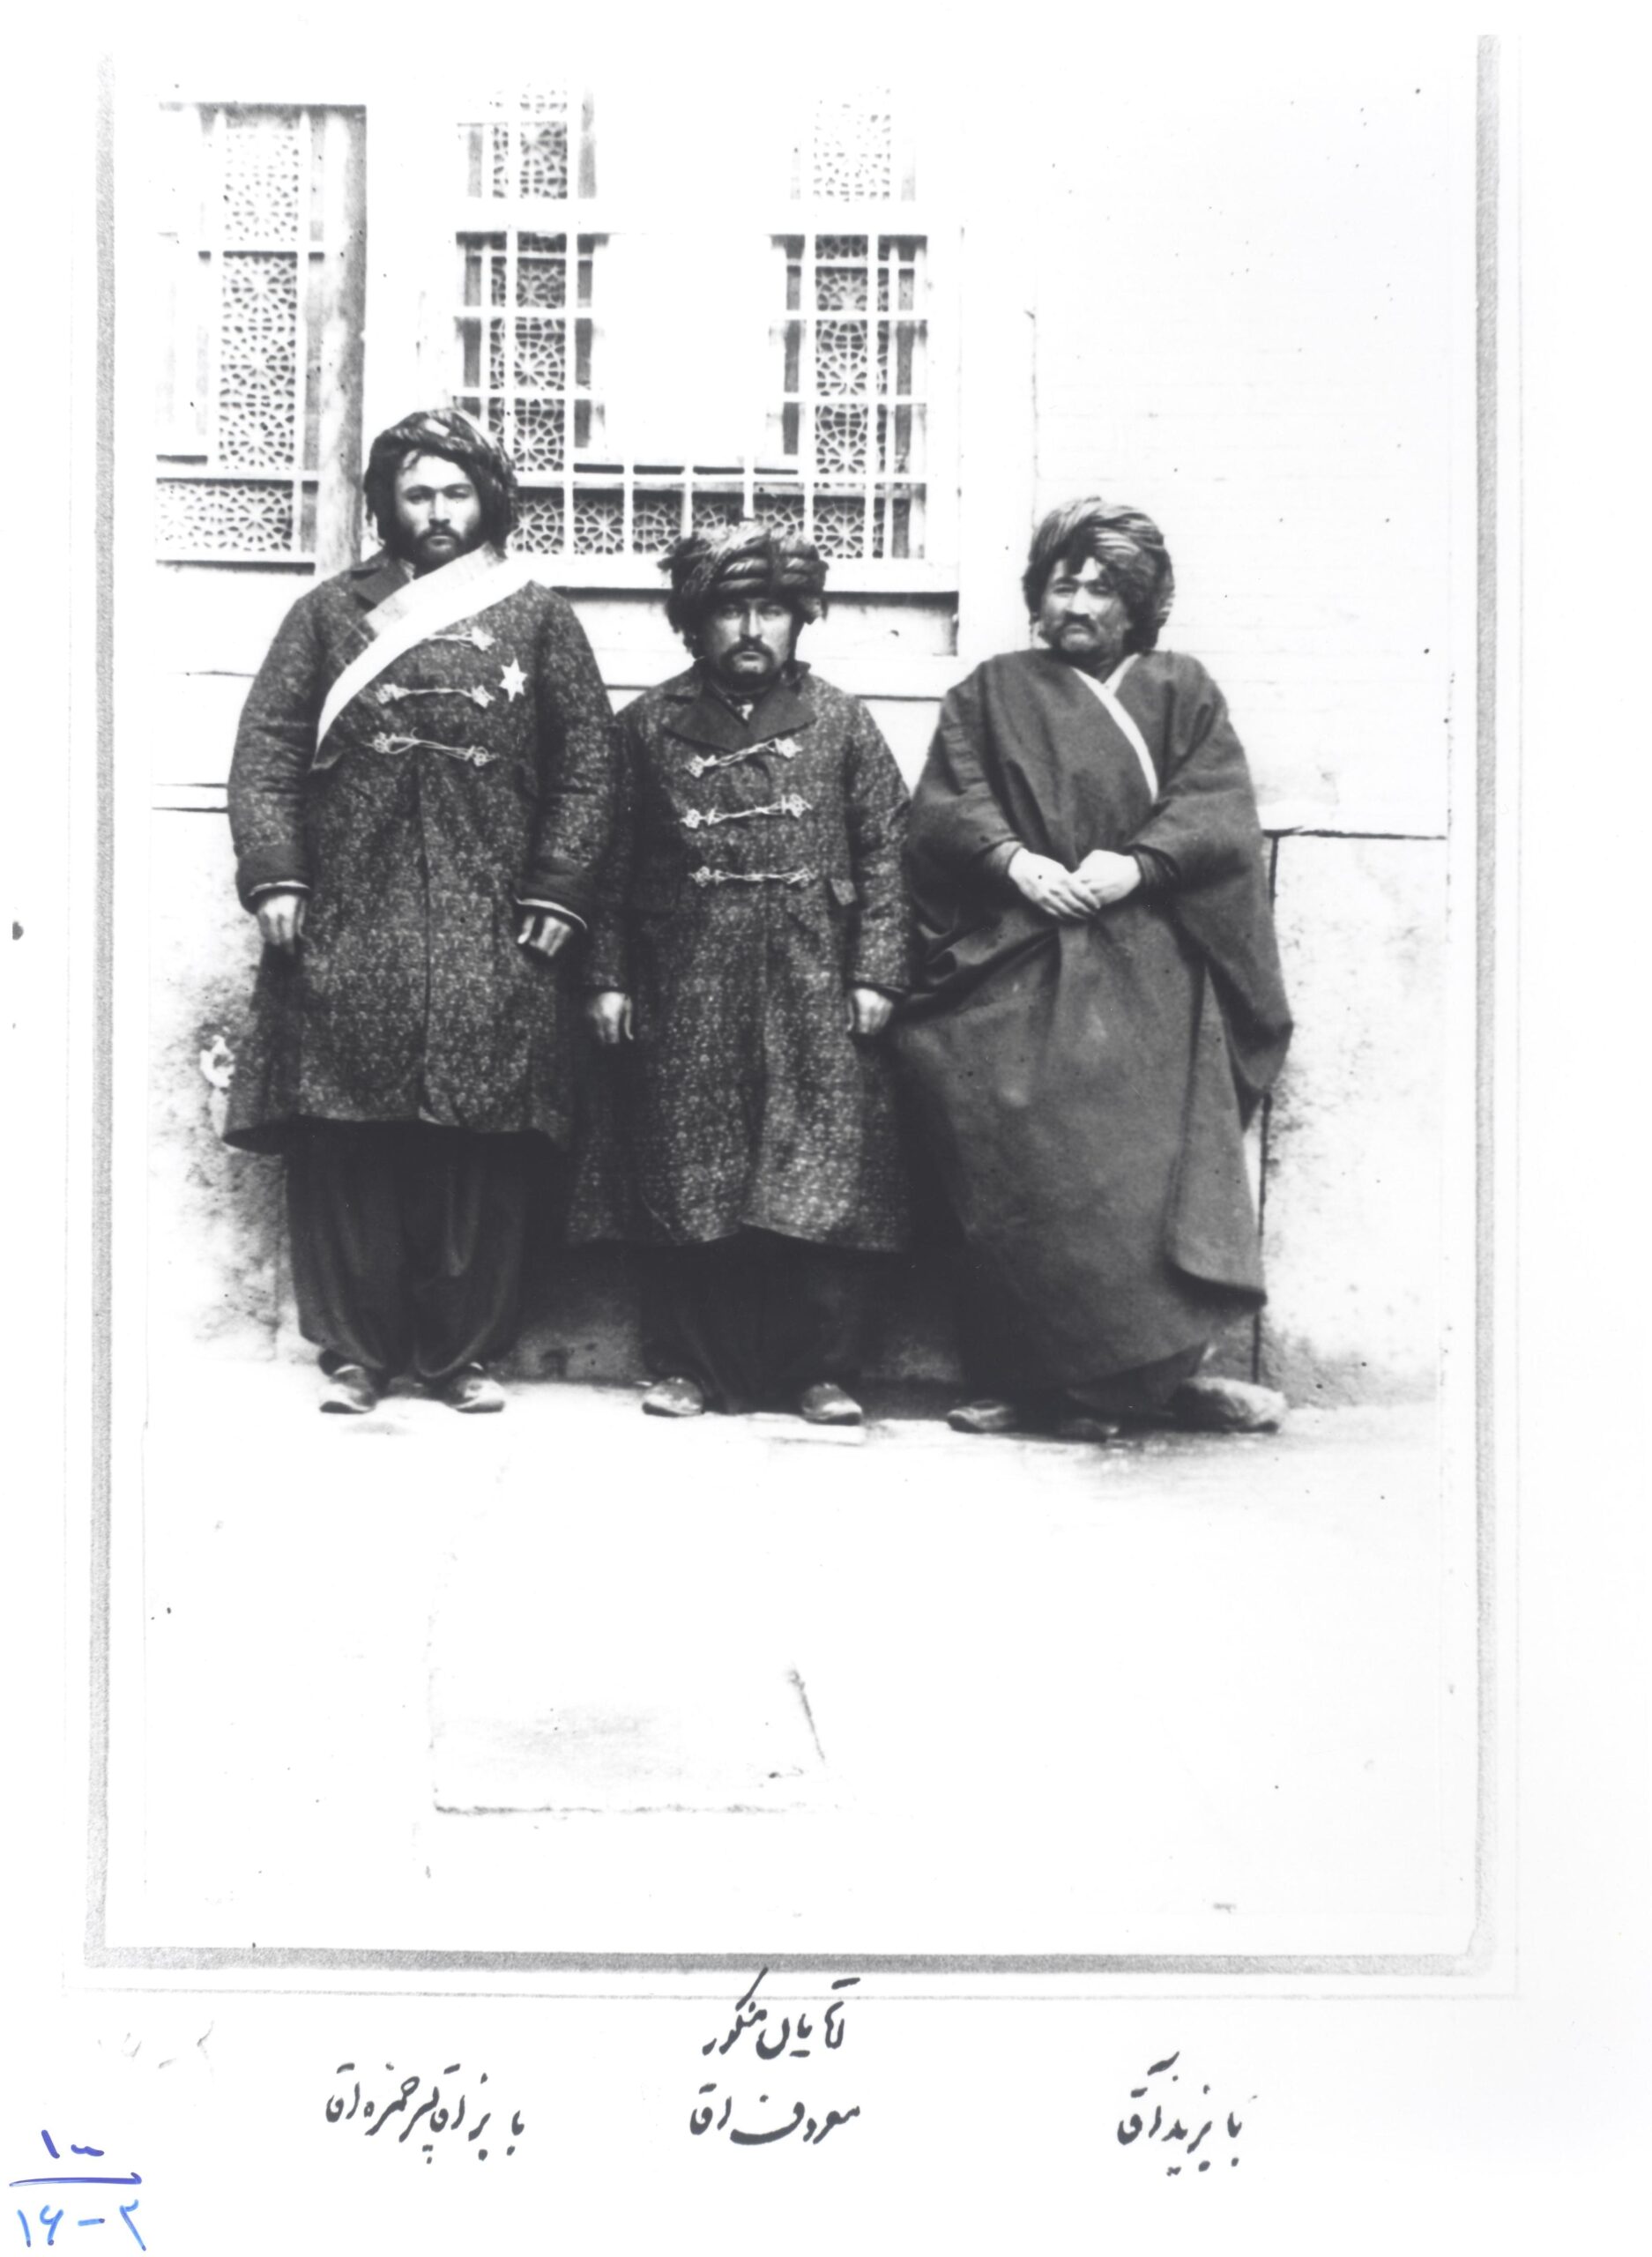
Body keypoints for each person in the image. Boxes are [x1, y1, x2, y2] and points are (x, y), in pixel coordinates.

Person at [224, 407, 617, 1415]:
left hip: (494, 916)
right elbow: (268, 748)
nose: (438, 513)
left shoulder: (537, 617)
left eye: (455, 493)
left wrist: (558, 887)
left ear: (487, 500)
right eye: (417, 494)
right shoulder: (327, 614)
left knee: (479, 1145)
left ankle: (460, 1356)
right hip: (349, 911)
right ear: (387, 506)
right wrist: (277, 875)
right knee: (345, 1138)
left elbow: (586, 767)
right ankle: (356, 1354)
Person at [894, 499, 1293, 1439]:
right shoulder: (988, 691)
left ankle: (1139, 1386)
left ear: (1138, 604)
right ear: (1035, 595)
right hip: (1017, 955)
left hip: (1147, 964)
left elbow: (1215, 809)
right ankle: (1028, 1380)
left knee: (1142, 1177)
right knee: (1008, 1154)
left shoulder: (1181, 690)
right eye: (1061, 583)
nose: (1076, 603)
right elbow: (949, 805)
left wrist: (1138, 865)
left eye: (1102, 587)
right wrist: (1013, 863)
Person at [570, 521, 911, 1423]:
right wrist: (606, 977)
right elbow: (606, 860)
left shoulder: (842, 722)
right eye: (730, 611)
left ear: (799, 619)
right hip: (686, 976)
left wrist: (877, 972)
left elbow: (886, 849)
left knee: (818, 1174)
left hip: (814, 975)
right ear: (694, 623)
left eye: (771, 610)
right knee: (690, 1173)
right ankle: (687, 1364)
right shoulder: (644, 727)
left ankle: (817, 1371)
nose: (752, 630)